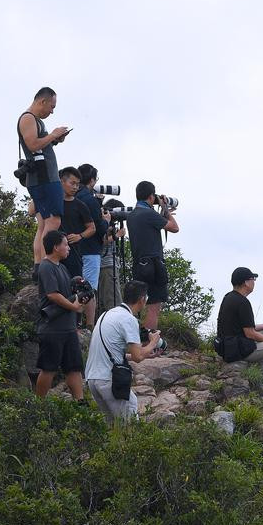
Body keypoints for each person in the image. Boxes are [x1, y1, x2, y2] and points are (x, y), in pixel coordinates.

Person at [85, 280, 162, 424]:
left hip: (93, 379)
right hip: (109, 380)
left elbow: (113, 352)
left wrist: (146, 354)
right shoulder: (128, 319)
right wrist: (153, 343)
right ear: (142, 299)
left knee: (112, 426)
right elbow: (138, 357)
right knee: (129, 426)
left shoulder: (106, 314)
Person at [18, 87, 70, 278]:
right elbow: (32, 145)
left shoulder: (35, 120)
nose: (52, 111)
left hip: (44, 177)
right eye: (52, 106)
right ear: (43, 101)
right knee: (53, 220)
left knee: (43, 223)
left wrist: (55, 140)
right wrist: (53, 135)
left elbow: (40, 144)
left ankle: (39, 265)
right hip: (43, 178)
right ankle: (45, 264)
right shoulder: (27, 118)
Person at [35, 230, 85, 400]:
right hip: (52, 328)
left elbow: (67, 294)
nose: (68, 248)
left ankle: (80, 403)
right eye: (65, 244)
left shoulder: (62, 267)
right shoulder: (46, 266)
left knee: (74, 368)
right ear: (56, 247)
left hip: (68, 327)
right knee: (48, 368)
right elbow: (53, 295)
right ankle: (38, 405)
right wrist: (73, 306)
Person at [216, 267, 263, 380]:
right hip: (236, 350)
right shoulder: (243, 303)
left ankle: (261, 363)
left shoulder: (229, 297)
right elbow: (250, 334)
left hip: (226, 346)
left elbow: (243, 326)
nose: (254, 282)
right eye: (253, 279)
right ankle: (261, 378)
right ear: (246, 282)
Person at [126, 180, 178, 330]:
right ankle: (150, 340)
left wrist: (161, 213)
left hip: (139, 265)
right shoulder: (149, 214)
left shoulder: (132, 215)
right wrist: (165, 210)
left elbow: (150, 227)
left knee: (138, 306)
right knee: (153, 307)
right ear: (151, 196)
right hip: (154, 266)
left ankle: (137, 337)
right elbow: (174, 228)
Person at [75, 163, 111, 326]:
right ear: (91, 180)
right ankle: (89, 326)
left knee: (76, 285)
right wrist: (106, 220)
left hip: (74, 248)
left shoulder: (72, 195)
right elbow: (100, 228)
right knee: (89, 289)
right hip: (90, 249)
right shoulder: (90, 199)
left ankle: (76, 322)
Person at [57, 167, 94, 283]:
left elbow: (92, 228)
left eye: (77, 184)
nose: (75, 187)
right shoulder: (54, 202)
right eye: (72, 183)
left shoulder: (80, 205)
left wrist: (80, 236)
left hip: (73, 253)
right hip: (53, 252)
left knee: (75, 286)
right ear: (62, 181)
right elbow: (31, 211)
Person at [98, 198, 126, 313]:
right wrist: (117, 235)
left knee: (110, 299)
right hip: (107, 266)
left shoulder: (109, 224)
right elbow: (100, 241)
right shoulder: (103, 223)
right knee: (113, 302)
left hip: (110, 265)